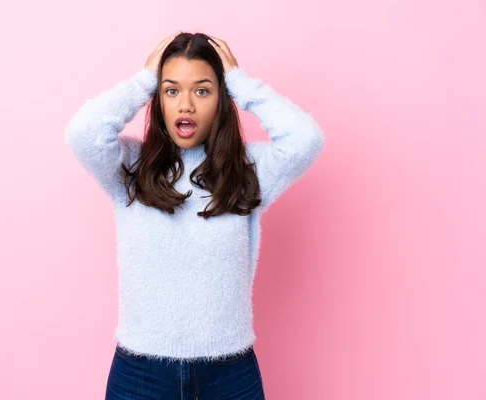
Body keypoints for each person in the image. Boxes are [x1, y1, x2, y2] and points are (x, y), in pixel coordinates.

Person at [64, 31, 325, 400]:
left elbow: (305, 140)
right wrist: (142, 82)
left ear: (222, 99)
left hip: (229, 372)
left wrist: (241, 84)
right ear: (157, 100)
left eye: (202, 91)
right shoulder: (129, 168)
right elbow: (82, 132)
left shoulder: (247, 171)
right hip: (141, 372)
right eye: (171, 90)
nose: (185, 104)